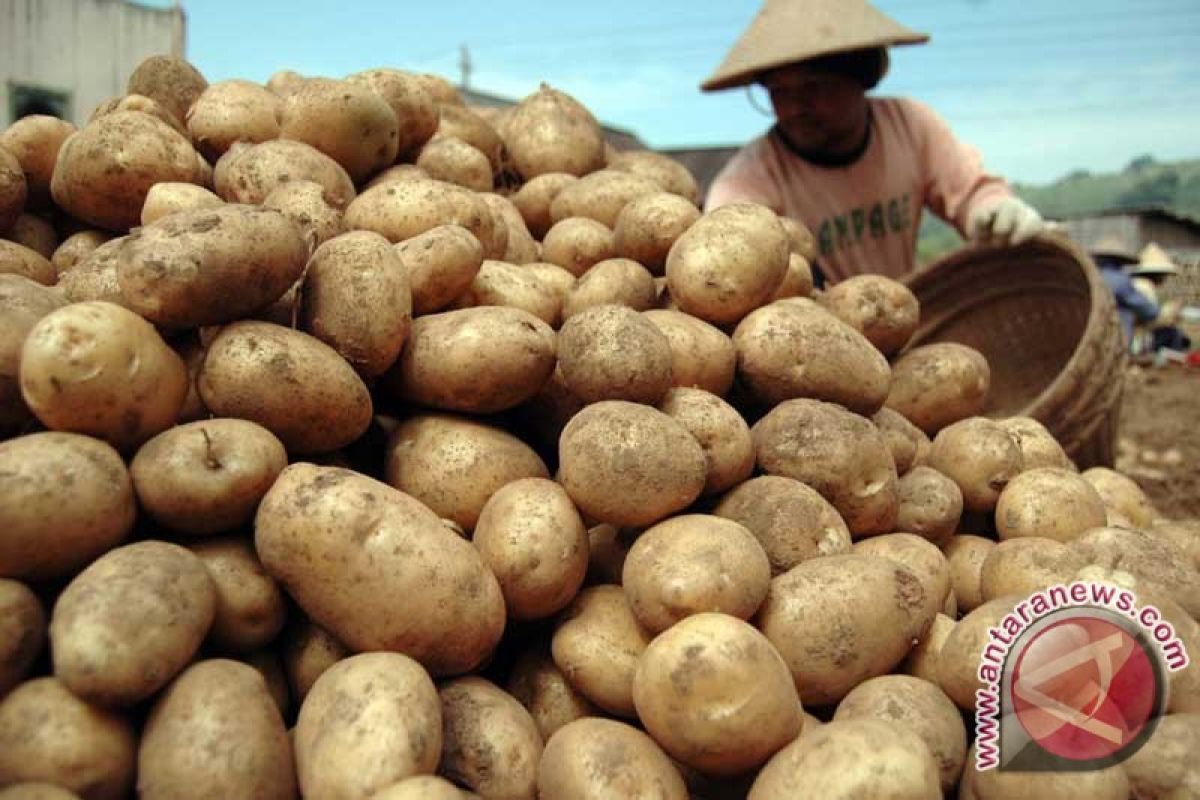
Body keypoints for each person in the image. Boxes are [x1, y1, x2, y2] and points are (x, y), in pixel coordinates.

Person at [699, 0, 1044, 286]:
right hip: (819, 344)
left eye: (812, 87)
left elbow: (969, 192)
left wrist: (992, 210)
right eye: (779, 92)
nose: (793, 108)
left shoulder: (909, 124)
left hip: (909, 321)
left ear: (863, 77)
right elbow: (724, 252)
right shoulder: (748, 179)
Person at [1090, 237, 1188, 355]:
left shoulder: (1092, 278)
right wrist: (1169, 311)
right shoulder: (1122, 282)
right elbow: (1150, 312)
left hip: (1092, 338)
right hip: (1117, 341)